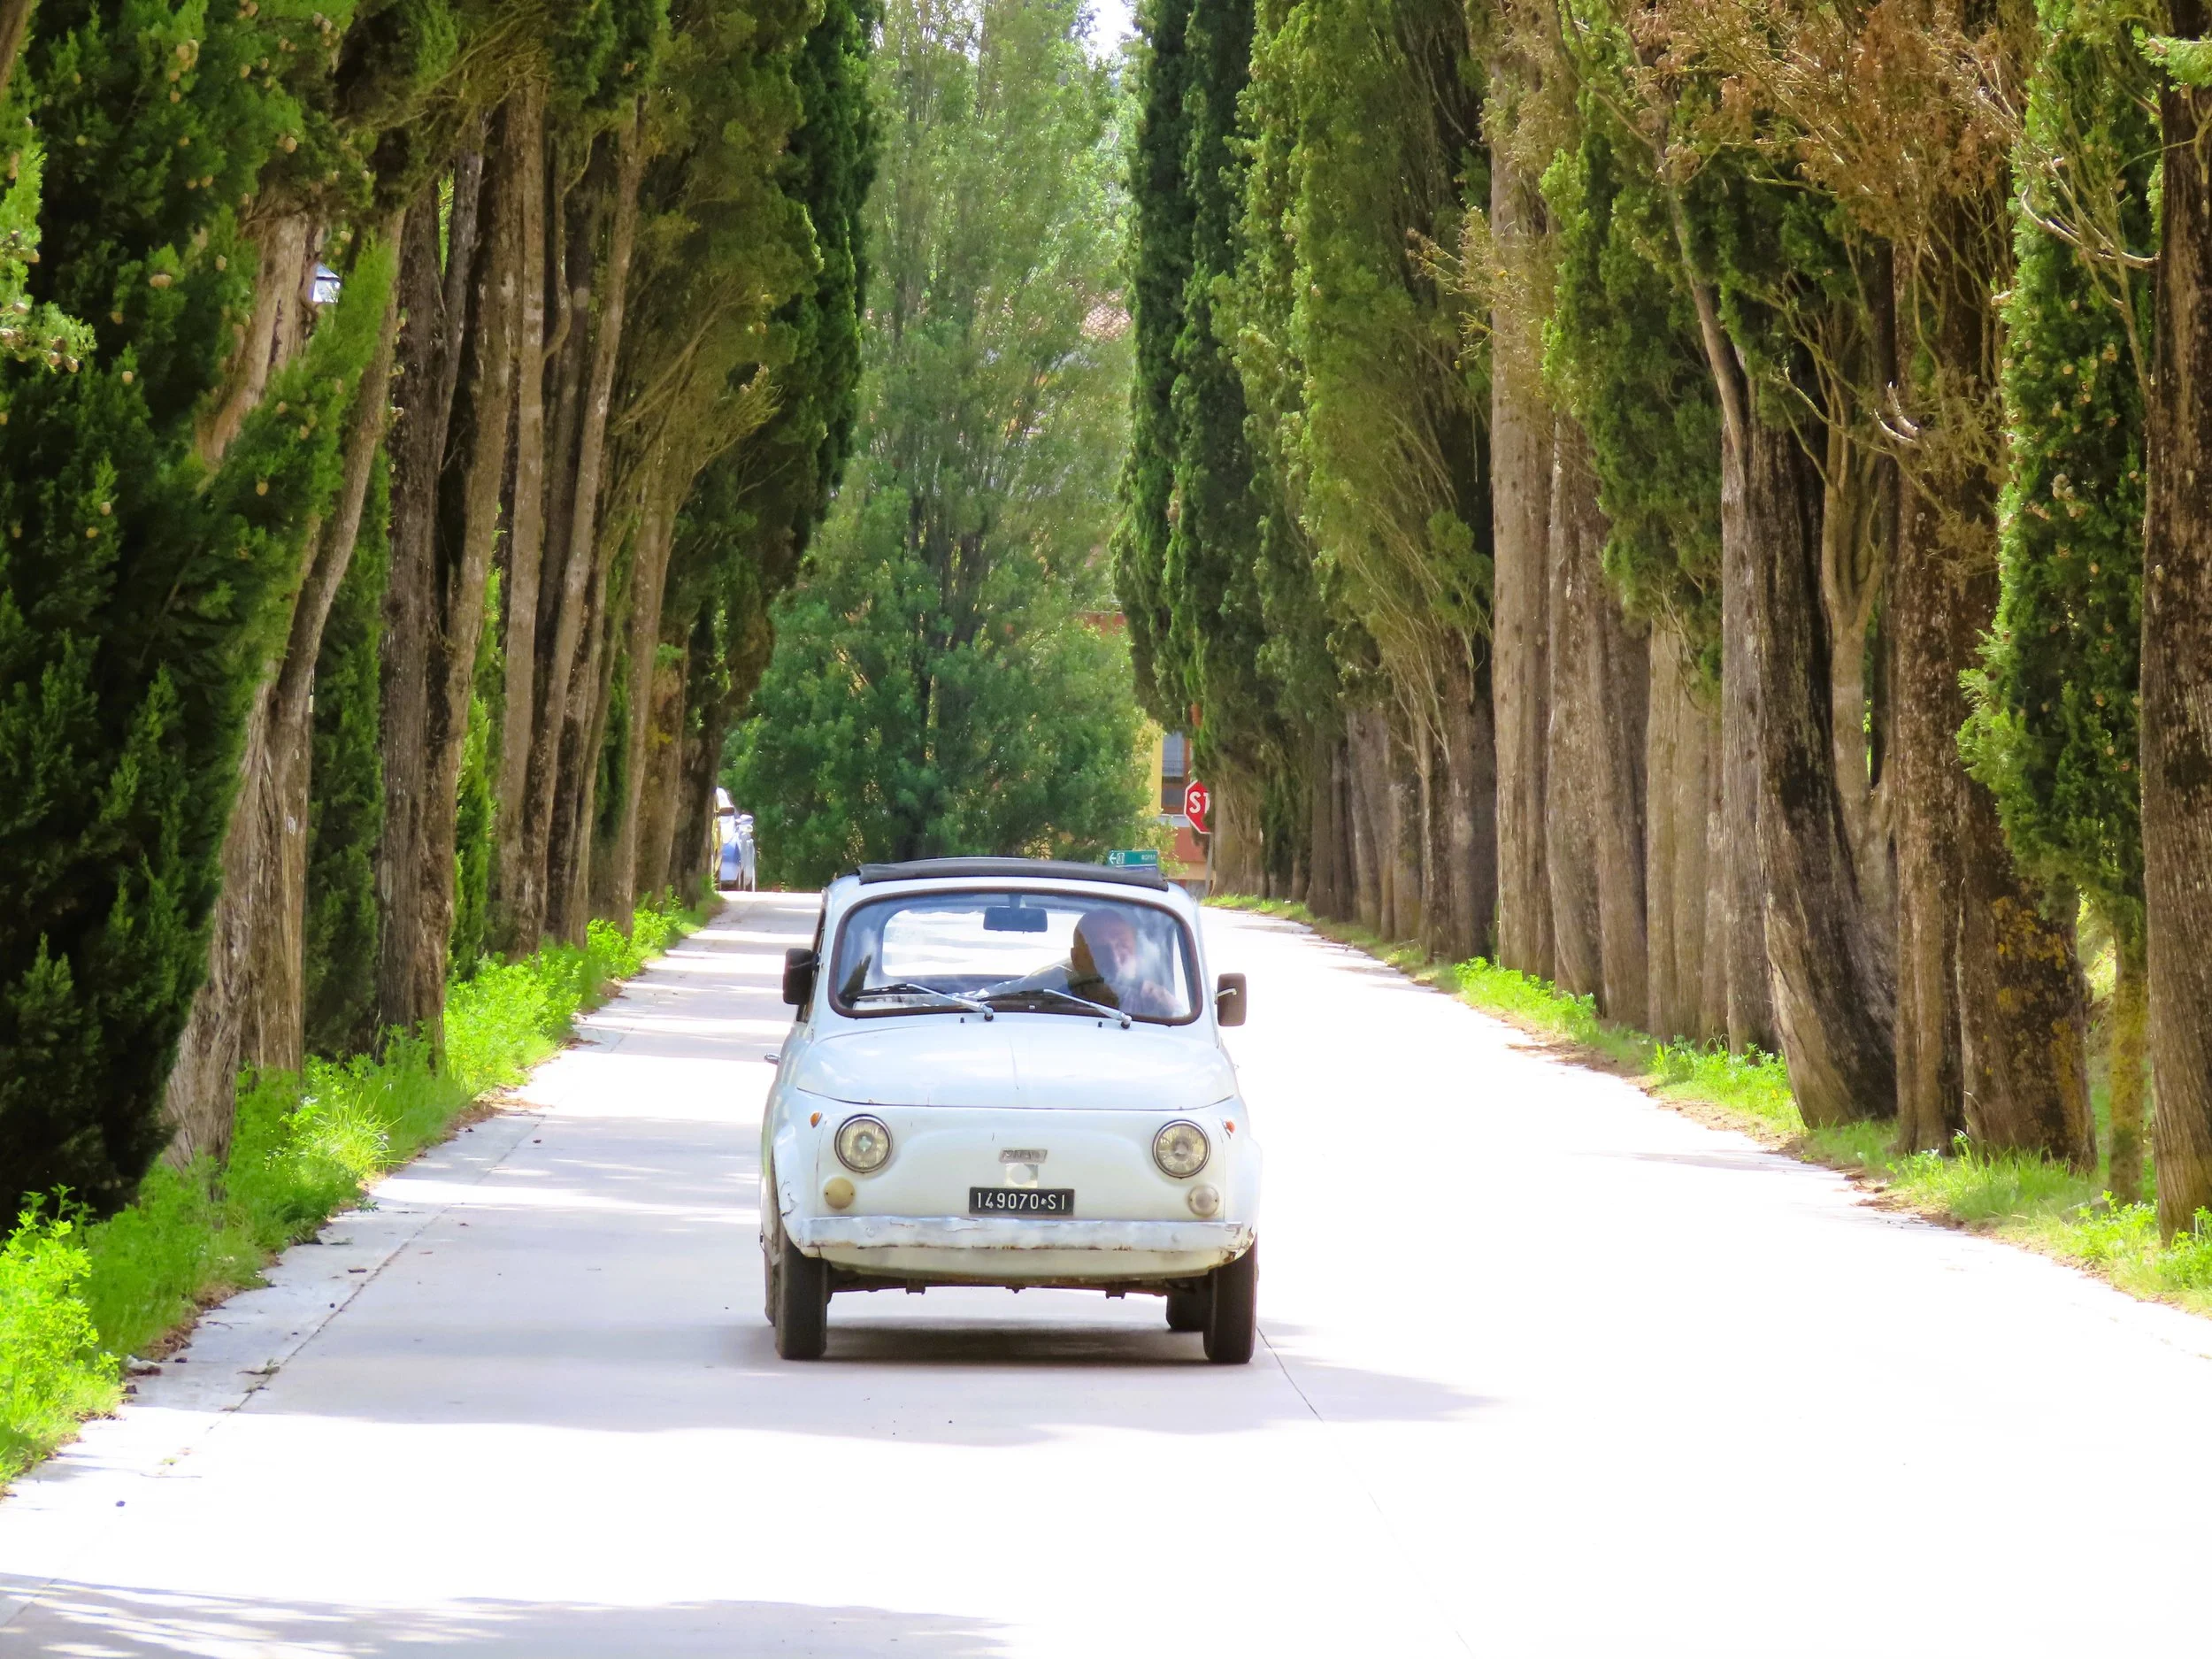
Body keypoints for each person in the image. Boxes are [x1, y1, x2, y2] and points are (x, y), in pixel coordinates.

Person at [1067, 909, 1177, 1018]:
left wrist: (1170, 1005)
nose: (1115, 960)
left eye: (1123, 946)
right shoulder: (1057, 1001)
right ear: (1077, 958)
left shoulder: (1154, 1002)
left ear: (1136, 952)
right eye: (1100, 951)